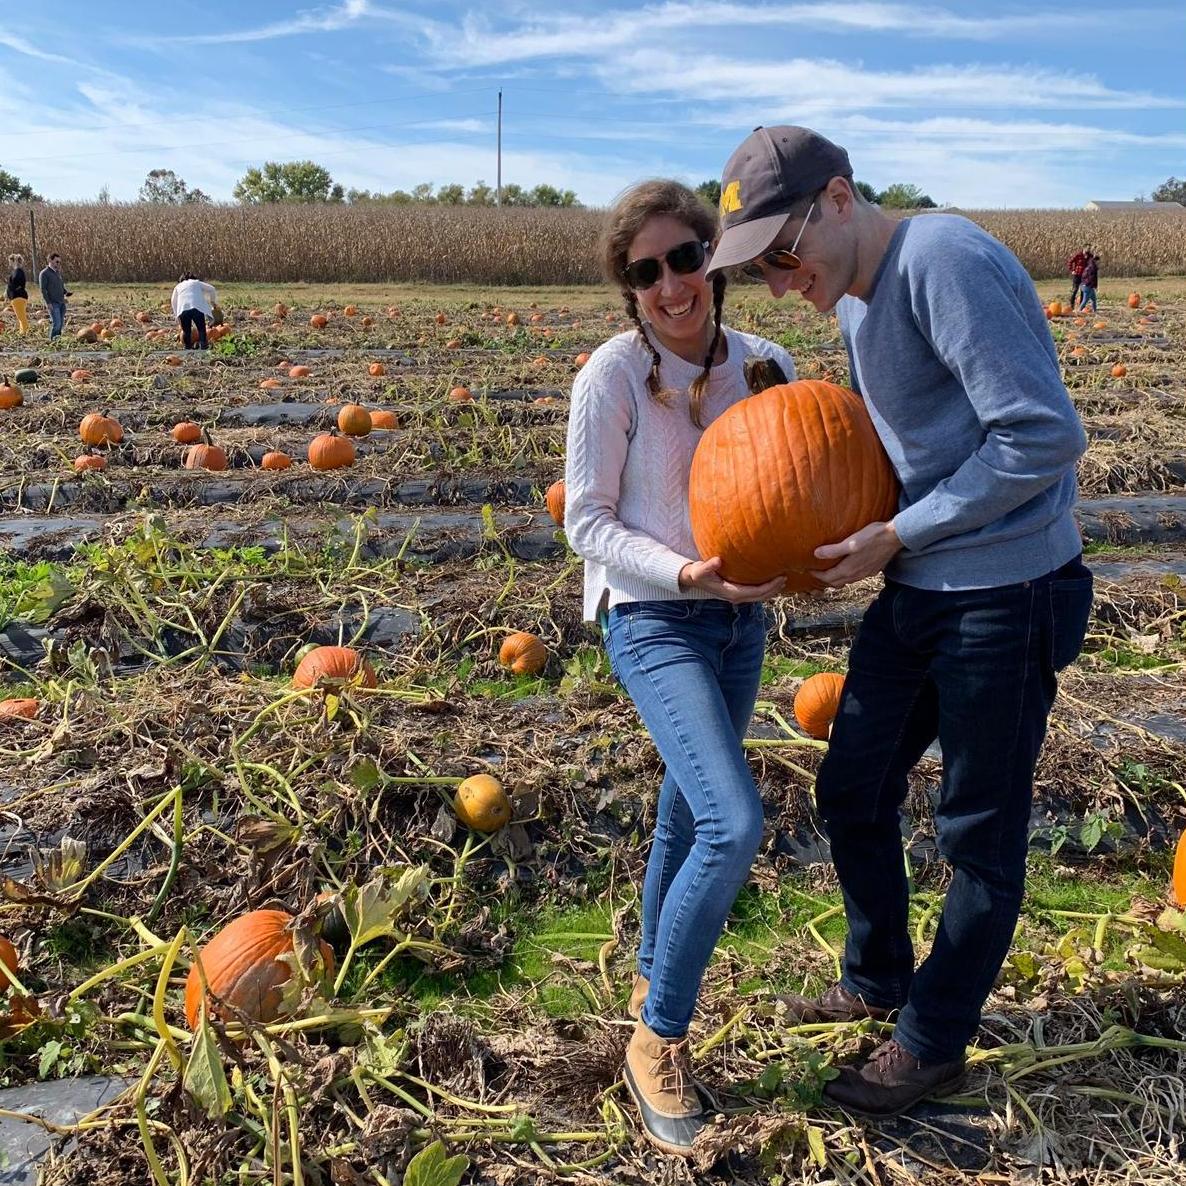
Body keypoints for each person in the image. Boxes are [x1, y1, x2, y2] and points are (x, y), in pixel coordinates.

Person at [708, 126, 1093, 1118]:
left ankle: (931, 1039)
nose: (780, 283)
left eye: (782, 255)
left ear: (838, 198)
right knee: (852, 785)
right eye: (759, 274)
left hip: (1003, 595)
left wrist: (898, 532)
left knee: (977, 832)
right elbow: (891, 455)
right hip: (922, 588)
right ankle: (877, 975)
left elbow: (1041, 433)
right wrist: (823, 538)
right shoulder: (862, 301)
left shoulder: (940, 261)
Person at [564, 179, 795, 1155]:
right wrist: (686, 568)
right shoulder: (612, 376)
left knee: (688, 811)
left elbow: (801, 473)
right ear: (630, 286)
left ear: (715, 258)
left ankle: (653, 966)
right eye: (645, 270)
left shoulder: (767, 364)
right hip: (654, 616)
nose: (671, 284)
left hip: (739, 626)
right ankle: (658, 1035)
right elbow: (586, 519)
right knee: (733, 819)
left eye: (684, 258)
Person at [170, 272, 217, 349]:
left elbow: (173, 301)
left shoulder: (178, 286)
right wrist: (213, 302)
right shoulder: (196, 282)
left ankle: (187, 348)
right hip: (197, 308)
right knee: (201, 329)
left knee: (186, 331)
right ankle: (203, 347)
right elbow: (212, 289)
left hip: (183, 309)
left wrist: (177, 315)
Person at [38, 252, 71, 340]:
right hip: (53, 303)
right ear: (50, 260)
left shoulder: (57, 273)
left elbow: (60, 286)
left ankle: (58, 341)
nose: (58, 264)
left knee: (60, 325)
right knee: (56, 324)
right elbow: (43, 289)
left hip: (61, 302)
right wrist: (48, 303)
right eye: (57, 262)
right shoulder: (44, 273)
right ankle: (52, 342)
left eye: (59, 262)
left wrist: (66, 293)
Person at [6, 254, 29, 334]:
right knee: (21, 318)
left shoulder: (17, 271)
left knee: (22, 318)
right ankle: (22, 332)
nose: (10, 264)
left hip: (17, 298)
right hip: (19, 297)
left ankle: (24, 333)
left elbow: (17, 282)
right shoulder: (18, 271)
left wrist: (13, 290)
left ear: (13, 261)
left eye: (10, 262)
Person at [1066, 244, 1090, 309]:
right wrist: (1072, 270)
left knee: (1083, 291)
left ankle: (1081, 306)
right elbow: (1070, 262)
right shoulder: (1078, 255)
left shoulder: (1089, 256)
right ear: (1084, 248)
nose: (1088, 250)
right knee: (1075, 290)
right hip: (1077, 275)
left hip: (1084, 276)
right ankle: (1071, 304)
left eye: (1089, 249)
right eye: (1087, 248)